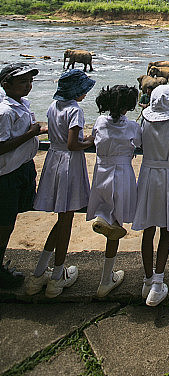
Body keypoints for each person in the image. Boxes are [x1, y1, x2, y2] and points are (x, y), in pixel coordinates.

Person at [27, 69, 95, 298]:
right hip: (69, 164)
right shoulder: (75, 110)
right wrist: (90, 141)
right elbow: (73, 144)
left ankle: (39, 272)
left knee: (62, 219)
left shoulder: (53, 107)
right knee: (66, 220)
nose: (85, 93)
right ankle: (57, 276)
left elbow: (56, 135)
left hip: (53, 160)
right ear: (77, 91)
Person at [132, 84, 169, 307]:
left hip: (147, 174)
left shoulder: (145, 122)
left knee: (148, 230)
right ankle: (158, 281)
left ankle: (147, 279)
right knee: (166, 229)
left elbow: (137, 143)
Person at [86, 85, 142, 298]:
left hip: (101, 172)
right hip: (122, 173)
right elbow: (140, 143)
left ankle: (101, 218)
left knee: (105, 208)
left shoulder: (100, 121)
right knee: (116, 225)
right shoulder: (132, 126)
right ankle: (105, 279)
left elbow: (95, 138)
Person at [0, 64, 47, 288]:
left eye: (30, 82)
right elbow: (1, 146)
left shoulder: (22, 104)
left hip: (21, 169)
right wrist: (31, 133)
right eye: (22, 82)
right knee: (4, 223)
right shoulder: (5, 112)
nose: (28, 86)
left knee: (10, 220)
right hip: (8, 174)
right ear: (5, 85)